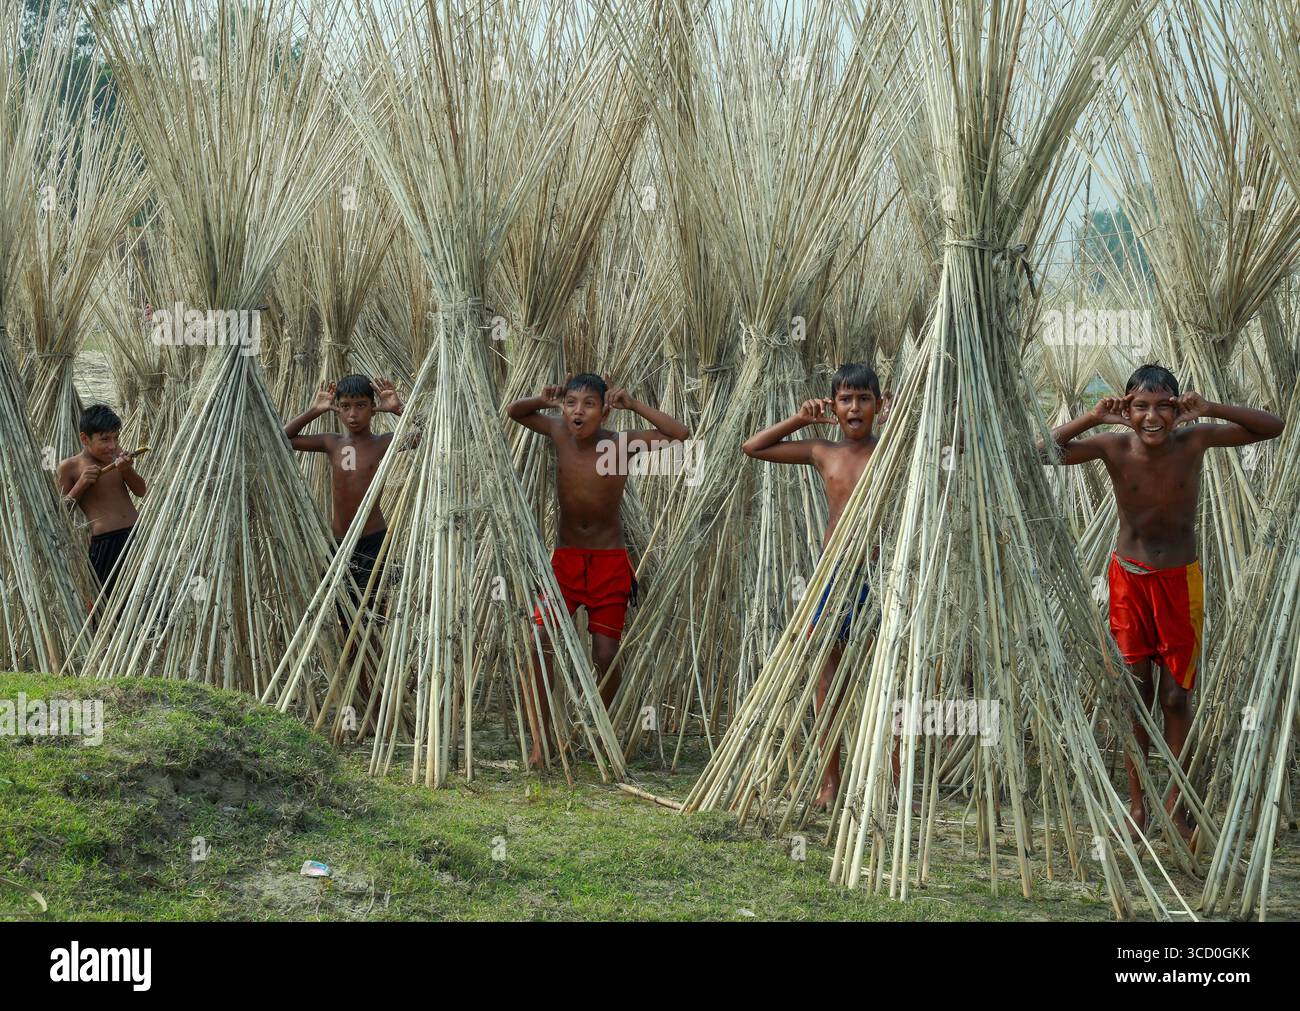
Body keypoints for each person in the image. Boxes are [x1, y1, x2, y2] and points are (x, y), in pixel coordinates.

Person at [1042, 363, 1283, 842]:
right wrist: (1092, 418)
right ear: (1126, 410)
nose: (1152, 417)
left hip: (1180, 581)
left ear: (1178, 410)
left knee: (1176, 695)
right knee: (1136, 695)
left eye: (1163, 407)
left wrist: (1208, 408)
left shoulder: (1194, 442)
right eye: (1140, 407)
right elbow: (1040, 454)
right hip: (1129, 581)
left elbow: (1272, 427)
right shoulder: (1112, 446)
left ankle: (1177, 806)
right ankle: (1138, 808)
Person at [506, 372, 690, 768]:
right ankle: (542, 741)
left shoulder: (620, 445)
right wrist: (543, 399)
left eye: (589, 404)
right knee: (540, 641)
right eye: (572, 402)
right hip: (566, 562)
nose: (578, 411)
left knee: (605, 654)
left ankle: (600, 728)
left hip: (609, 563)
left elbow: (680, 434)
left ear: (605, 409)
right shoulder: (558, 433)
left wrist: (634, 405)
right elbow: (514, 412)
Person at [742, 362, 890, 810]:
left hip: (881, 578)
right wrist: (801, 419)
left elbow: (952, 445)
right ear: (833, 406)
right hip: (833, 578)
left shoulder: (892, 451)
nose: (855, 407)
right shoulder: (822, 451)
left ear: (879, 407)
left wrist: (908, 416)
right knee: (827, 680)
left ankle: (894, 783)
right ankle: (830, 782)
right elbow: (753, 447)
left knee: (887, 679)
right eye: (845, 399)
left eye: (865, 398)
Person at [283, 374, 406, 597]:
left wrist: (398, 408)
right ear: (336, 409)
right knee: (340, 606)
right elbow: (283, 438)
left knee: (369, 609)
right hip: (339, 541)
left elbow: (429, 432)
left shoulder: (383, 443)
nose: (353, 414)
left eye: (361, 406)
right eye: (345, 406)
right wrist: (315, 410)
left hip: (373, 541)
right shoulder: (332, 443)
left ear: (373, 408)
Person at [58, 404, 148, 600]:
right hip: (106, 543)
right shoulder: (70, 467)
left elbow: (141, 491)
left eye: (116, 438)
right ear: (85, 439)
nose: (112, 445)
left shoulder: (117, 456)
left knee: (147, 600)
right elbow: (61, 512)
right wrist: (81, 485)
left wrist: (126, 469)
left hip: (136, 535)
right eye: (105, 439)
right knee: (108, 604)